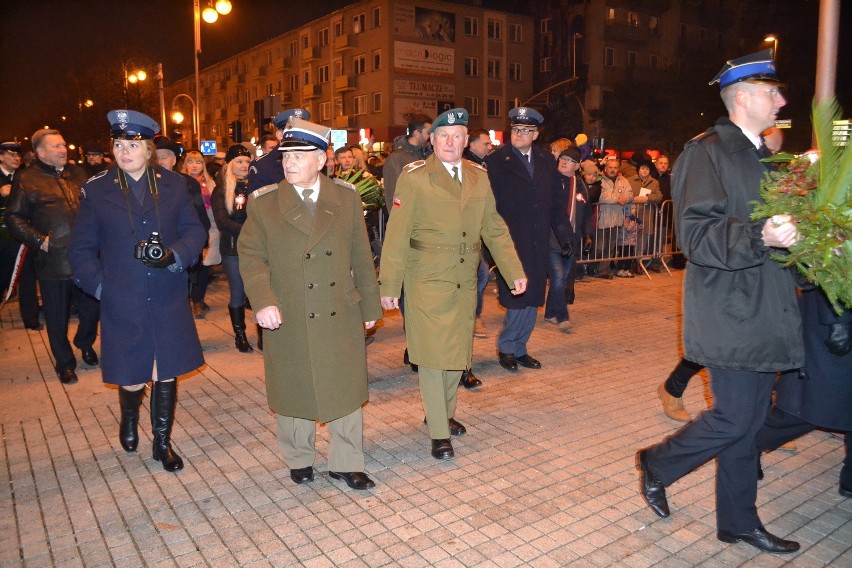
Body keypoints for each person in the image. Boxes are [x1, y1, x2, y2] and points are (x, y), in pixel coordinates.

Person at [636, 50, 804, 554]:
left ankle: (737, 521)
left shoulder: (765, 158)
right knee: (734, 417)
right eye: (773, 92)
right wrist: (761, 235)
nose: (782, 100)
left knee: (749, 424)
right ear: (744, 97)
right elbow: (695, 235)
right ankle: (657, 462)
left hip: (763, 307)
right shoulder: (705, 152)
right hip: (729, 309)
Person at [238, 118, 382, 490]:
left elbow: (361, 256)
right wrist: (263, 301)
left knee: (345, 387)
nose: (289, 162)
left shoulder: (346, 197)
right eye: (286, 155)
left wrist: (370, 308)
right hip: (290, 309)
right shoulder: (265, 203)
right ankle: (299, 458)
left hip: (339, 307)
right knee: (293, 385)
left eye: (300, 155)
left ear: (321, 159)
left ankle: (347, 461)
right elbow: (251, 257)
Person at [379, 108, 526, 460]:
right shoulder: (414, 176)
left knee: (457, 351)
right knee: (432, 355)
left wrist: (513, 269)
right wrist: (388, 285)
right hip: (426, 277)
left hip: (463, 279)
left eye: (457, 135)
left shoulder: (478, 175)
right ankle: (439, 431)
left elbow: (493, 226)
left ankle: (442, 412)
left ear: (465, 141)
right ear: (431, 140)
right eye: (443, 136)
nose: (450, 142)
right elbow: (396, 234)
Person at [69, 110, 207, 471]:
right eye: (118, 144)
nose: (124, 151)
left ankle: (162, 442)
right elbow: (81, 248)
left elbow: (195, 232)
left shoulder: (175, 185)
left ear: (148, 149)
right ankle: (129, 418)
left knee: (166, 369)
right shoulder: (97, 190)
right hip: (123, 295)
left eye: (132, 144)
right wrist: (101, 287)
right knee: (131, 374)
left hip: (167, 293)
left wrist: (176, 255)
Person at [6, 129, 100, 384]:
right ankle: (64, 363)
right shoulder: (26, 179)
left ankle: (85, 342)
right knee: (56, 316)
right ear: (40, 152)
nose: (63, 150)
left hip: (87, 257)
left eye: (63, 145)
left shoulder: (78, 173)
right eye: (56, 146)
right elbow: (13, 217)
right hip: (54, 260)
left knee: (92, 309)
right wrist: (40, 241)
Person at [485, 107, 573, 371]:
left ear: (536, 134)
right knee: (516, 295)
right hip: (509, 241)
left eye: (525, 131)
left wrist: (564, 235)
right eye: (515, 130)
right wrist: (490, 248)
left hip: (539, 240)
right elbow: (489, 206)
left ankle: (521, 347)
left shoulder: (547, 160)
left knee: (534, 296)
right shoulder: (497, 161)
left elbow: (556, 202)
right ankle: (507, 347)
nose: (519, 134)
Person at [755, 287, 851, 498]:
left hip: (838, 308)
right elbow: (828, 261)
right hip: (834, 309)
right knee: (812, 401)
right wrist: (837, 319)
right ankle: (749, 446)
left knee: (834, 400)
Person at [212, 144, 255, 352]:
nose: (244, 165)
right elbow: (223, 222)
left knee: (258, 291)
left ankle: (264, 335)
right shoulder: (221, 189)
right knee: (238, 293)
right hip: (233, 249)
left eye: (247, 161)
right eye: (239, 161)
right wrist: (251, 231)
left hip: (257, 248)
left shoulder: (255, 186)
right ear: (230, 165)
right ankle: (240, 335)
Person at [544, 147, 588, 330]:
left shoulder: (579, 184)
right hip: (553, 239)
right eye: (562, 158)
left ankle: (550, 313)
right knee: (558, 277)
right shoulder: (551, 180)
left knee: (560, 279)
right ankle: (562, 317)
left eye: (569, 160)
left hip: (572, 239)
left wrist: (588, 235)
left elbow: (586, 211)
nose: (563, 161)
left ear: (577, 166)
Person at [181, 150, 220, 318]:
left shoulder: (210, 183)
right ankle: (185, 301)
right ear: (185, 164)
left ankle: (198, 301)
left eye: (198, 162)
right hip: (186, 231)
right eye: (191, 161)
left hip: (209, 229)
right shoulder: (179, 182)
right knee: (189, 267)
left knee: (204, 266)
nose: (195, 165)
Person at [248, 108, 310, 191]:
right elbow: (258, 202)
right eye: (292, 132)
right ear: (280, 135)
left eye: (302, 132)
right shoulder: (262, 166)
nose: (298, 136)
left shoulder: (311, 160)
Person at [381, 113, 433, 209]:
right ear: (417, 133)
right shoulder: (396, 158)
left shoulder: (430, 155)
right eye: (428, 132)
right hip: (407, 216)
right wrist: (398, 219)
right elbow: (392, 195)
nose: (430, 136)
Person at [594, 156, 633, 279]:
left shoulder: (623, 180)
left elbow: (630, 194)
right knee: (599, 246)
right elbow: (602, 196)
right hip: (602, 219)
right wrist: (618, 199)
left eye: (615, 167)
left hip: (616, 219)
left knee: (610, 247)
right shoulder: (599, 178)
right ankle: (593, 268)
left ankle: (603, 271)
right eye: (610, 167)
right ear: (605, 167)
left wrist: (625, 199)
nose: (613, 170)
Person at [1, 140, 23, 296]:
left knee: (12, 273)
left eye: (18, 155)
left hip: (16, 235)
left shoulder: (23, 176)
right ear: (1, 157)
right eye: (11, 154)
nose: (16, 158)